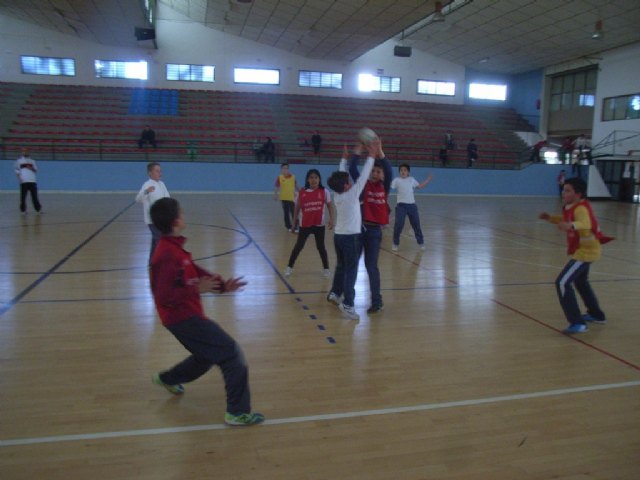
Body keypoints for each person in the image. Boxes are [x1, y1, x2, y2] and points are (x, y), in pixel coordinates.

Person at [149, 197, 264, 426]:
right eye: (181, 213)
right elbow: (164, 296)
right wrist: (196, 290)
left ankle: (166, 379)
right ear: (174, 220)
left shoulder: (174, 249)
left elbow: (194, 273)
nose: (184, 215)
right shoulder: (165, 254)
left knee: (206, 356)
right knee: (231, 353)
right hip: (182, 318)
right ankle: (237, 412)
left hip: (185, 315)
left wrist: (222, 286)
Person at [538, 177, 614, 334]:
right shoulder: (570, 206)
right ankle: (596, 315)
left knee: (562, 283)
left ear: (578, 194)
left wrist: (571, 225)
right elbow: (565, 219)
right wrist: (550, 218)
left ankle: (578, 323)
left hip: (587, 251)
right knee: (581, 282)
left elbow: (585, 223)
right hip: (585, 249)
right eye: (564, 189)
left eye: (568, 190)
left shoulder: (581, 208)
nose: (563, 192)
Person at [326, 139, 378, 321]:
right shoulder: (353, 192)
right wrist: (371, 156)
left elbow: (340, 177)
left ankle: (334, 293)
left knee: (341, 267)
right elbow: (364, 176)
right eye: (348, 180)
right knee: (351, 272)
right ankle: (348, 304)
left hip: (338, 237)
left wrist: (344, 159)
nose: (349, 180)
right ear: (347, 185)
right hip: (351, 239)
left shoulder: (337, 193)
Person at [348, 139, 393, 314]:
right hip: (359, 230)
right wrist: (357, 153)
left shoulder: (385, 187)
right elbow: (353, 170)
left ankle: (377, 301)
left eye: (378, 171)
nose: (375, 173)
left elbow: (389, 170)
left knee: (371, 266)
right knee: (352, 264)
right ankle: (348, 299)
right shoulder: (364, 185)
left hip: (374, 232)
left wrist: (380, 152)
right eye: (373, 170)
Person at [284, 169, 335, 278]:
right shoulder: (302, 192)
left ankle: (326, 269)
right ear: (308, 179)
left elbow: (330, 205)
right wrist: (294, 223)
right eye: (311, 177)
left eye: (316, 177)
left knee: (321, 247)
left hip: (319, 224)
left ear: (319, 179)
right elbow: (297, 208)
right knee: (298, 246)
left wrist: (331, 219)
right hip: (305, 224)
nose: (314, 180)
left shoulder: (324, 191)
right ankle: (289, 267)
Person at [390, 164, 433, 252]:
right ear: (399, 172)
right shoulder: (396, 180)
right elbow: (389, 185)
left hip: (412, 206)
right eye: (401, 170)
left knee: (416, 225)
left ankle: (421, 243)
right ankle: (395, 243)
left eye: (405, 170)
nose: (403, 172)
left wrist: (428, 180)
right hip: (401, 206)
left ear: (408, 172)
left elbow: (419, 186)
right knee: (399, 225)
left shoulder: (411, 179)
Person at [135, 162, 170, 261]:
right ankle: (160, 261)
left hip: (161, 218)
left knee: (156, 240)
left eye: (160, 171)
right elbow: (138, 199)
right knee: (159, 239)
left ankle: (151, 261)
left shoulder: (162, 184)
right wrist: (147, 191)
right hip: (152, 219)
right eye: (157, 171)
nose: (160, 173)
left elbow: (167, 198)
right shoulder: (147, 185)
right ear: (150, 173)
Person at [14, 148, 42, 215]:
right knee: (23, 197)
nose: (25, 152)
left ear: (28, 152)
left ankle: (38, 209)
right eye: (23, 151)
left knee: (34, 196)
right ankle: (23, 210)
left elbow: (35, 170)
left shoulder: (32, 161)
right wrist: (20, 179)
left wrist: (31, 168)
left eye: (26, 151)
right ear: (22, 152)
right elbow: (17, 171)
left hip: (32, 181)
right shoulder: (19, 161)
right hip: (24, 181)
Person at [274, 163, 299, 232]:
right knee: (286, 213)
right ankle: (288, 226)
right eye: (283, 168)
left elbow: (296, 185)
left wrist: (300, 192)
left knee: (294, 212)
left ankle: (296, 226)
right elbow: (277, 186)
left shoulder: (293, 177)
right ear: (281, 169)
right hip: (283, 198)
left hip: (291, 198)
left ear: (288, 169)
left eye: (286, 168)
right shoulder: (280, 177)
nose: (285, 170)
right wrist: (275, 194)